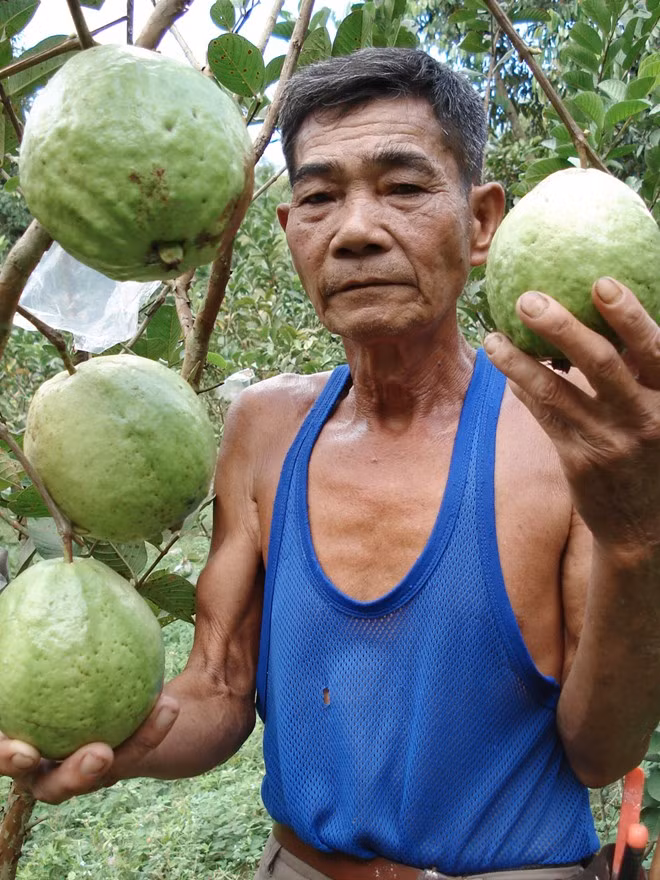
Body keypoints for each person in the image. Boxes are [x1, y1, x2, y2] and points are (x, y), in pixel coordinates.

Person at [2, 47, 660, 880]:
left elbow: (600, 751)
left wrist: (639, 539)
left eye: (404, 187)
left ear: (483, 221)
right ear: (289, 233)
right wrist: (114, 746)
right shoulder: (264, 426)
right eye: (318, 197)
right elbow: (218, 686)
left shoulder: (564, 431)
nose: (354, 231)